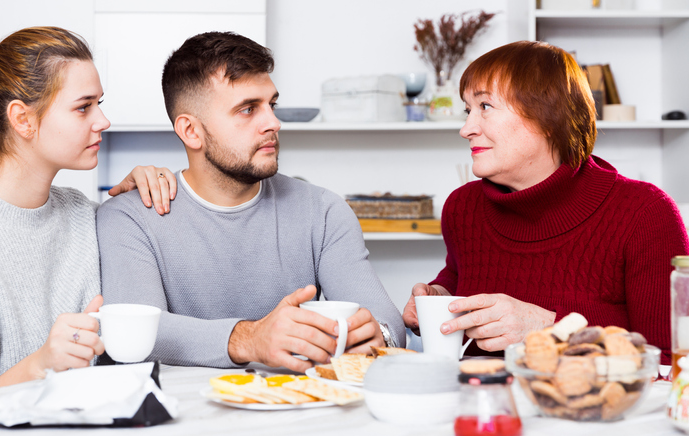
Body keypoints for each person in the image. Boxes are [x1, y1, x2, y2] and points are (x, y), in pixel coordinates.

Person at [0, 26, 176, 435]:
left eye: (100, 103)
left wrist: (137, 199)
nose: (103, 120)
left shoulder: (83, 216)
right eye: (83, 107)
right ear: (23, 118)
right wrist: (39, 366)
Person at [96, 31, 405, 372]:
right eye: (247, 109)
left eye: (271, 104)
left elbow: (386, 321)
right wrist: (249, 339)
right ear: (191, 131)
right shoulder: (129, 217)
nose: (273, 123)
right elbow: (137, 331)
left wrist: (381, 339)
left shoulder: (324, 211)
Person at [402, 40, 689, 364]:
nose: (466, 128)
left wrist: (550, 329)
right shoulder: (462, 207)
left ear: (547, 116)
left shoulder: (646, 214)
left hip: (587, 413)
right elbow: (461, 278)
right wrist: (441, 297)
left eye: (485, 107)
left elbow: (671, 363)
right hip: (483, 410)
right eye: (468, 110)